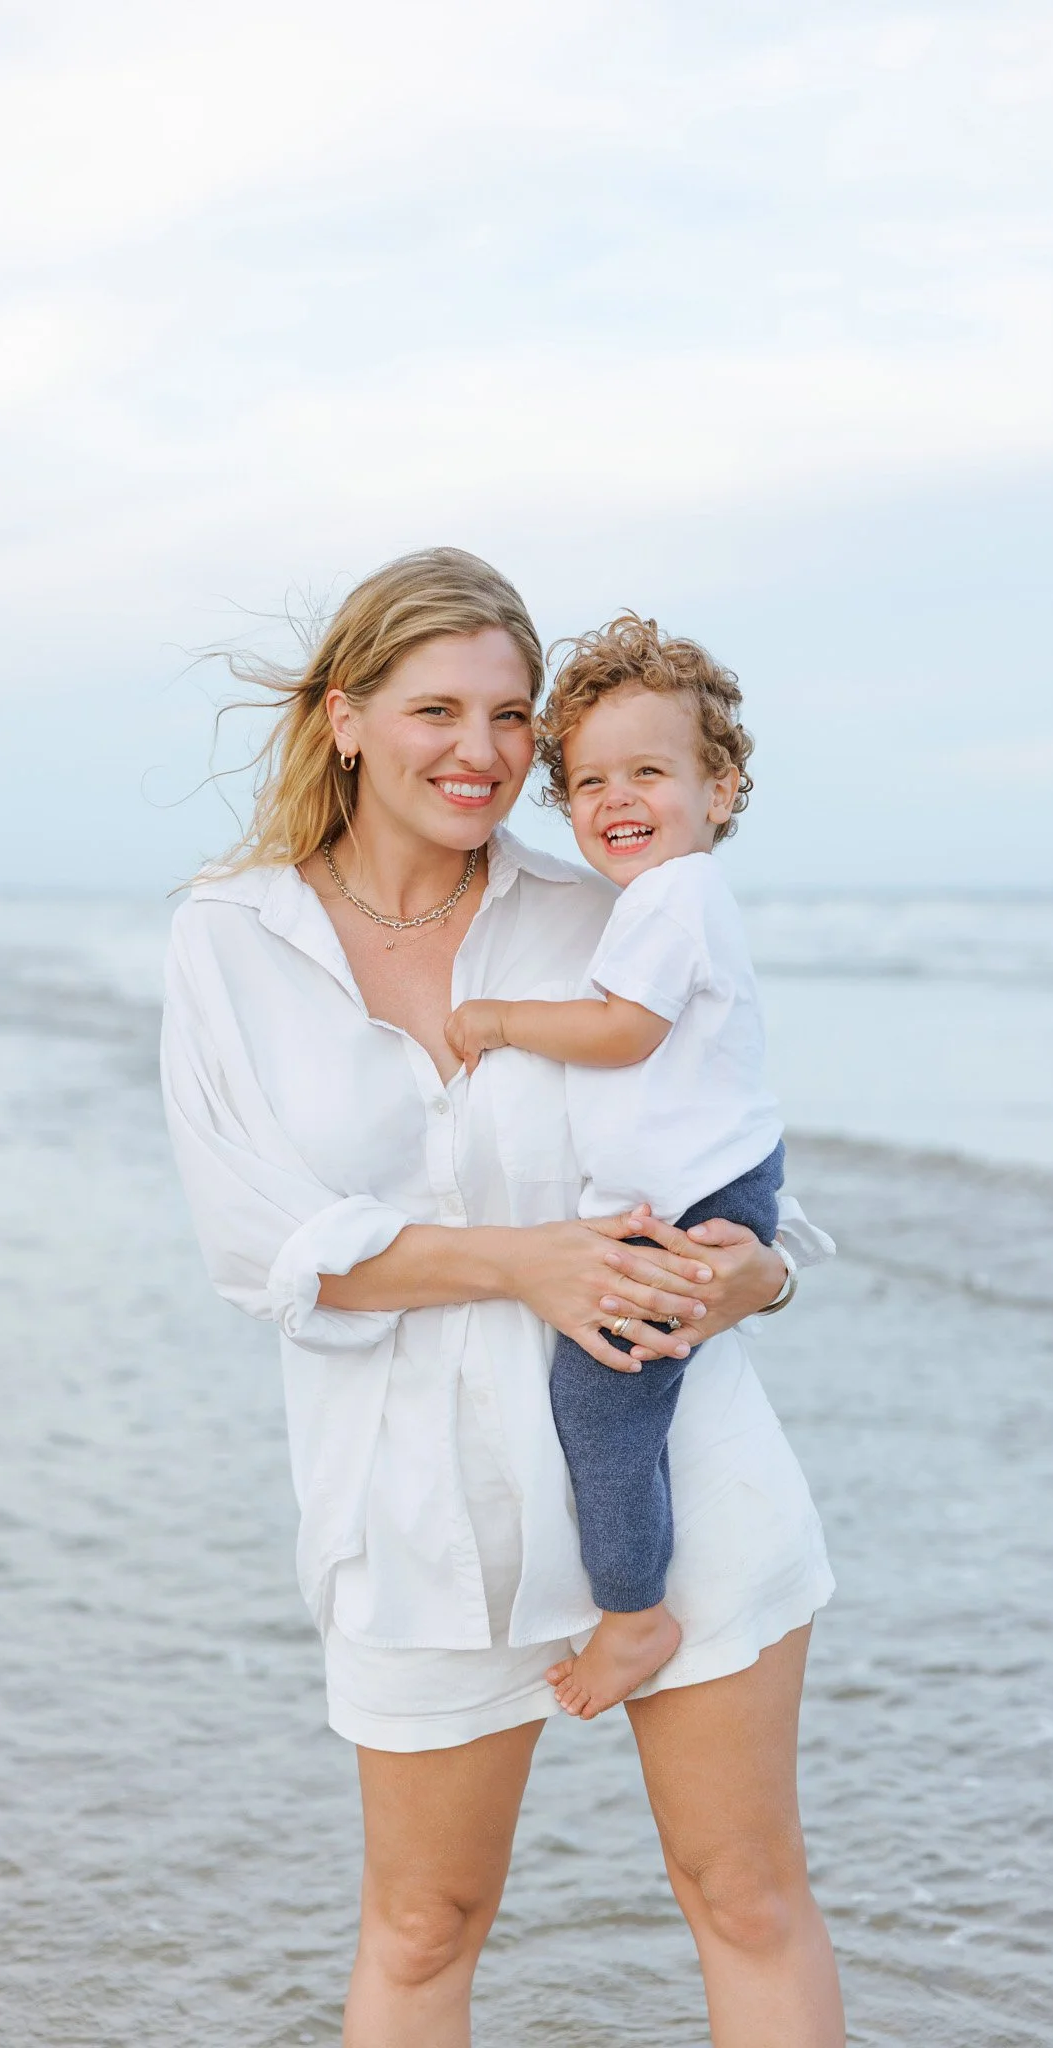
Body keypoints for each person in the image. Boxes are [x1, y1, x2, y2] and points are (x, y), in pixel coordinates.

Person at [161, 546, 845, 2047]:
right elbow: (253, 1242)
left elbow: (744, 1159)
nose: (479, 752)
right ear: (344, 716)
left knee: (742, 1895)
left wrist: (763, 1277)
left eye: (509, 717)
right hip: (414, 1514)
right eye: (434, 711)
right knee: (422, 1928)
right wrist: (520, 1264)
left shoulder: (606, 903)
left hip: (675, 1473)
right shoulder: (231, 938)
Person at [445, 614, 806, 1722]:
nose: (616, 799)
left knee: (600, 1404)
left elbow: (622, 1032)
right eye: (590, 779)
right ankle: (634, 1590)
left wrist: (500, 1017)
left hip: (699, 1197)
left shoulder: (673, 897)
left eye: (648, 770)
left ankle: (633, 1610)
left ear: (721, 788)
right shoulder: (658, 900)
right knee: (613, 1400)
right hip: (712, 1179)